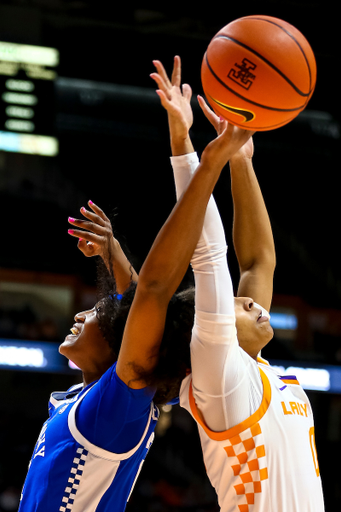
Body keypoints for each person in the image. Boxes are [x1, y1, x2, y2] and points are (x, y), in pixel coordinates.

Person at [18, 74, 253, 511]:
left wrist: (206, 165)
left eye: (91, 315)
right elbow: (137, 304)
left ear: (120, 346)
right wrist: (113, 253)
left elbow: (153, 293)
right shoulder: (91, 397)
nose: (79, 316)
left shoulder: (114, 409)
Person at [151, 56, 325, 512]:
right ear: (209, 325)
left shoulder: (253, 369)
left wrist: (241, 162)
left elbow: (259, 260)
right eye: (238, 302)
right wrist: (185, 147)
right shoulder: (218, 377)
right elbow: (208, 255)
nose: (253, 304)